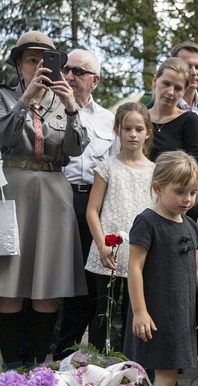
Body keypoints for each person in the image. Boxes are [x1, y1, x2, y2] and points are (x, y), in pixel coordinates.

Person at [0, 31, 89, 368]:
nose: (39, 66)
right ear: (19, 64)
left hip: (54, 191)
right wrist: (25, 101)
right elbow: (3, 138)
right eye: (31, 60)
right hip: (13, 191)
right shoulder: (5, 97)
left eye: (45, 60)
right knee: (9, 285)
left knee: (46, 287)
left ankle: (39, 367)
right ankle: (10, 367)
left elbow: (75, 149)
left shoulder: (62, 101)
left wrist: (70, 109)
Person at [125, 151, 198, 386]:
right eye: (180, 192)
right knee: (148, 377)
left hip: (180, 315)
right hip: (153, 312)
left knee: (168, 377)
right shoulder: (147, 222)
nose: (187, 199)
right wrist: (140, 311)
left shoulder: (190, 225)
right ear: (158, 187)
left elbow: (196, 269)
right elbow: (134, 268)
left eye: (193, 192)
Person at [55, 49, 120, 360]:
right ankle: (37, 353)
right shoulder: (48, 109)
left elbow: (116, 166)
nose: (69, 76)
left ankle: (70, 356)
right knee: (51, 276)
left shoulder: (109, 120)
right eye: (66, 69)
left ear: (95, 80)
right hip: (54, 197)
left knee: (85, 282)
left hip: (91, 204)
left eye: (78, 71)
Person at [85, 102, 156, 353]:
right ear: (117, 130)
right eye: (127, 128)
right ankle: (97, 365)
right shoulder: (107, 168)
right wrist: (103, 245)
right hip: (110, 252)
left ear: (148, 132)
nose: (133, 134)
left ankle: (131, 366)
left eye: (139, 129)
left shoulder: (156, 172)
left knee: (134, 312)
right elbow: (92, 210)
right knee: (104, 311)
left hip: (140, 254)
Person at [148, 57, 198, 162]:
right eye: (166, 84)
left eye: (178, 88)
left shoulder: (189, 120)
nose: (171, 92)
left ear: (184, 91)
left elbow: (193, 167)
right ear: (155, 80)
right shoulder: (140, 117)